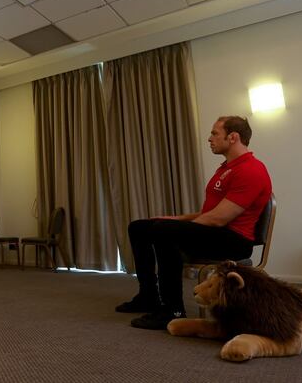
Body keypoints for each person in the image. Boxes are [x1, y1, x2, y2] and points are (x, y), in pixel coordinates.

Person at [116, 115, 272, 330]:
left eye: (215, 134)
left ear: (233, 137)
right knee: (139, 227)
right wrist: (177, 219)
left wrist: (174, 227)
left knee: (163, 231)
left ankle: (173, 309)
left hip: (235, 240)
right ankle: (148, 295)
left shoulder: (251, 170)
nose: (209, 139)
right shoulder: (226, 168)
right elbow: (210, 213)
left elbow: (219, 219)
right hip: (216, 232)